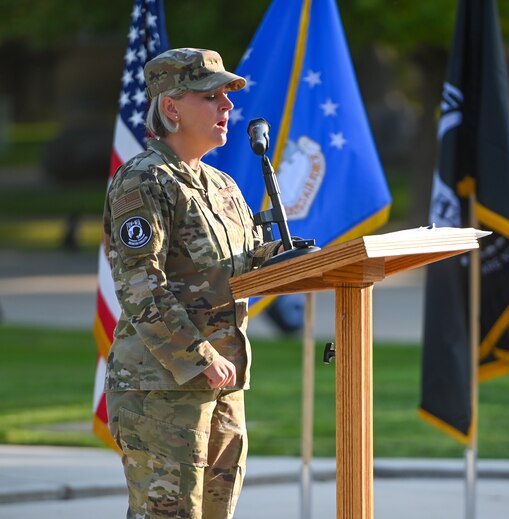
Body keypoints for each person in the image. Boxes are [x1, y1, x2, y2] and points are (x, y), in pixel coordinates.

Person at [103, 48, 281, 519]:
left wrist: (295, 258)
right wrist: (200, 357)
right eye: (212, 95)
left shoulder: (223, 185)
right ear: (171, 107)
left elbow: (237, 269)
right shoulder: (143, 181)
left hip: (224, 387)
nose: (227, 106)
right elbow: (140, 285)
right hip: (162, 390)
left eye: (227, 96)